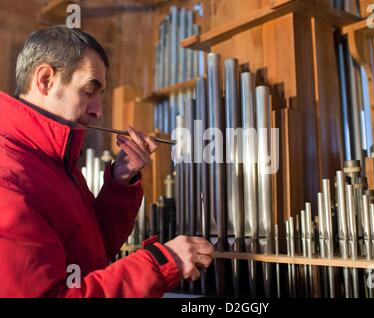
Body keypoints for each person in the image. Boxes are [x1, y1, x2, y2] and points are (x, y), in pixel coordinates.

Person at [0, 26, 214, 297]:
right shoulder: (7, 179)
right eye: (90, 90)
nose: (98, 111)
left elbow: (92, 252)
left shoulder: (55, 162)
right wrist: (162, 263)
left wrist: (119, 183)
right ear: (45, 80)